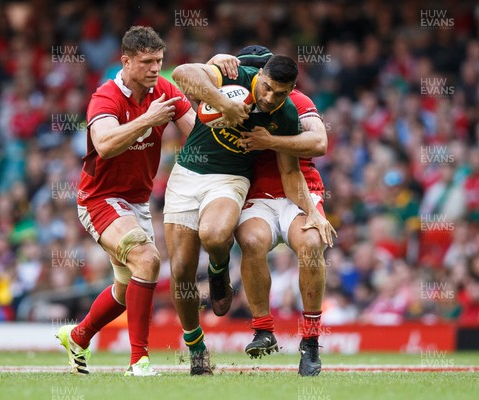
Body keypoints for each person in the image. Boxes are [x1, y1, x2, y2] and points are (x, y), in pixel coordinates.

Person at [166, 54, 335, 375]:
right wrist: (221, 96)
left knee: (312, 246)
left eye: (279, 92)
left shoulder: (291, 106)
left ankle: (310, 344)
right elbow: (185, 72)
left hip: (290, 194)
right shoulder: (233, 82)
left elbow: (315, 146)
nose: (270, 97)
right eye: (267, 87)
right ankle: (258, 330)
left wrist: (313, 209)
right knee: (185, 266)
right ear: (256, 74)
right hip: (249, 196)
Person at [56, 26, 195, 376]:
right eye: (147, 61)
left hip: (136, 202)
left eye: (159, 61)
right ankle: (138, 361)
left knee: (125, 288)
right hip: (100, 198)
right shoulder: (106, 97)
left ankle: (78, 335)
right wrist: (148, 119)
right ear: (126, 61)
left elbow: (195, 132)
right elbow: (103, 144)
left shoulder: (164, 90)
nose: (154, 68)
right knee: (148, 261)